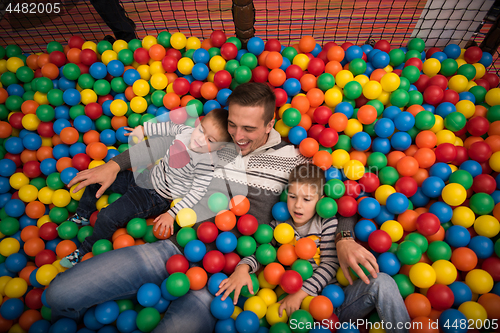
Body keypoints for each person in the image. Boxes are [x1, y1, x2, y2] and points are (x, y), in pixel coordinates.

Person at [46, 82, 378, 332]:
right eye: (233, 124)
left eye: (248, 128)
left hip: (225, 277)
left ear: (270, 123)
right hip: (174, 248)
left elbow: (341, 193)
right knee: (57, 296)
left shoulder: (295, 158)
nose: (238, 135)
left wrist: (345, 237)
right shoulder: (213, 139)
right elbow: (164, 143)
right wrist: (116, 165)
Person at [217, 163, 411, 333]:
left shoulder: (326, 223)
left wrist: (300, 294)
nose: (297, 206)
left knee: (382, 282)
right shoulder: (280, 225)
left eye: (307, 199)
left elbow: (330, 265)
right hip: (295, 312)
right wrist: (243, 269)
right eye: (292, 197)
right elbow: (261, 251)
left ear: (321, 199)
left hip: (336, 304)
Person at [60, 108, 232, 268]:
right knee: (96, 179)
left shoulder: (206, 165)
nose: (200, 139)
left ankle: (84, 251)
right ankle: (83, 214)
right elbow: (169, 127)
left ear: (220, 147)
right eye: (201, 130)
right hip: (145, 177)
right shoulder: (187, 132)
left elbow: (196, 193)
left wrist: (171, 214)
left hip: (155, 197)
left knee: (107, 216)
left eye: (211, 140)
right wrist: (144, 129)